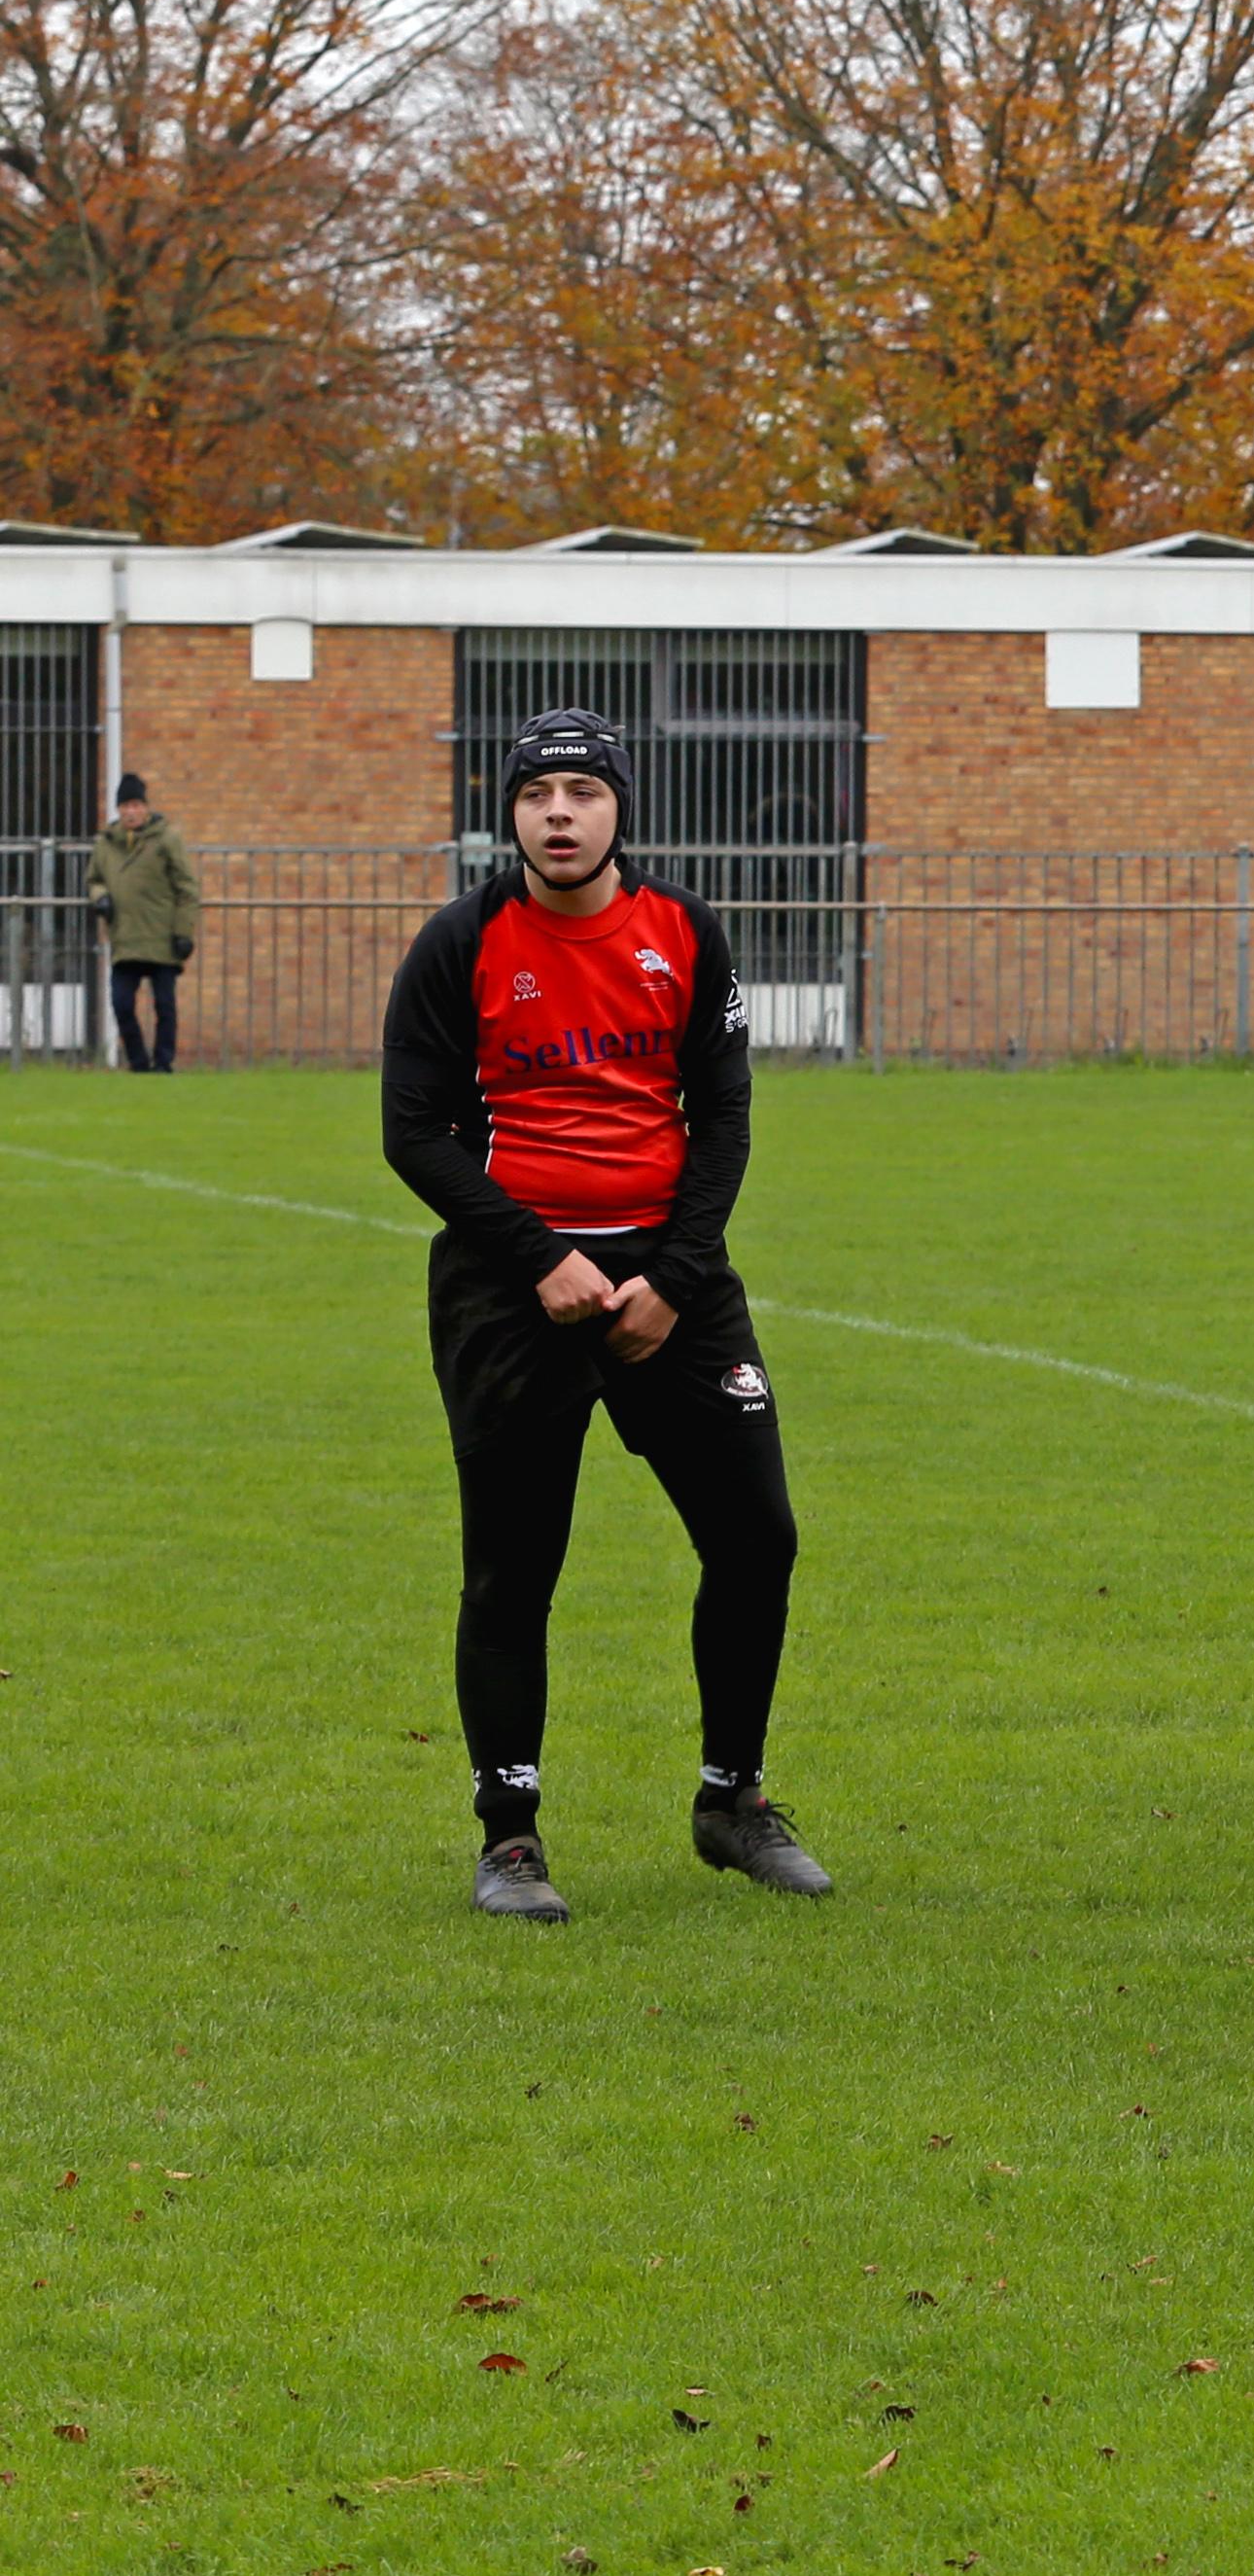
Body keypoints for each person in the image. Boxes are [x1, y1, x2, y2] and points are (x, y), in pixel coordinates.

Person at [379, 710, 822, 1922]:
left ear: (621, 808)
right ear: (507, 813)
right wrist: (541, 1260)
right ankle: (509, 1837)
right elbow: (412, 1133)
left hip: (672, 1278)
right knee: (513, 1571)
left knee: (757, 1538)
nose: (559, 813)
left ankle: (731, 1803)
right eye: (536, 794)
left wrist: (676, 1280)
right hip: (511, 1287)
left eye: (582, 790)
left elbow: (722, 1115)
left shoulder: (685, 933)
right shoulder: (460, 942)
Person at [94, 771, 199, 1074]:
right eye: (125, 805)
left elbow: (186, 887)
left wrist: (183, 932)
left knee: (164, 1005)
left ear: (146, 807)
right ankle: (138, 1063)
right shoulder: (105, 844)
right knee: (121, 1003)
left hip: (161, 936)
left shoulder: (167, 839)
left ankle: (163, 1063)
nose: (130, 812)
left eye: (136, 805)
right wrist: (100, 896)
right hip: (125, 937)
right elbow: (94, 879)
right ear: (118, 809)